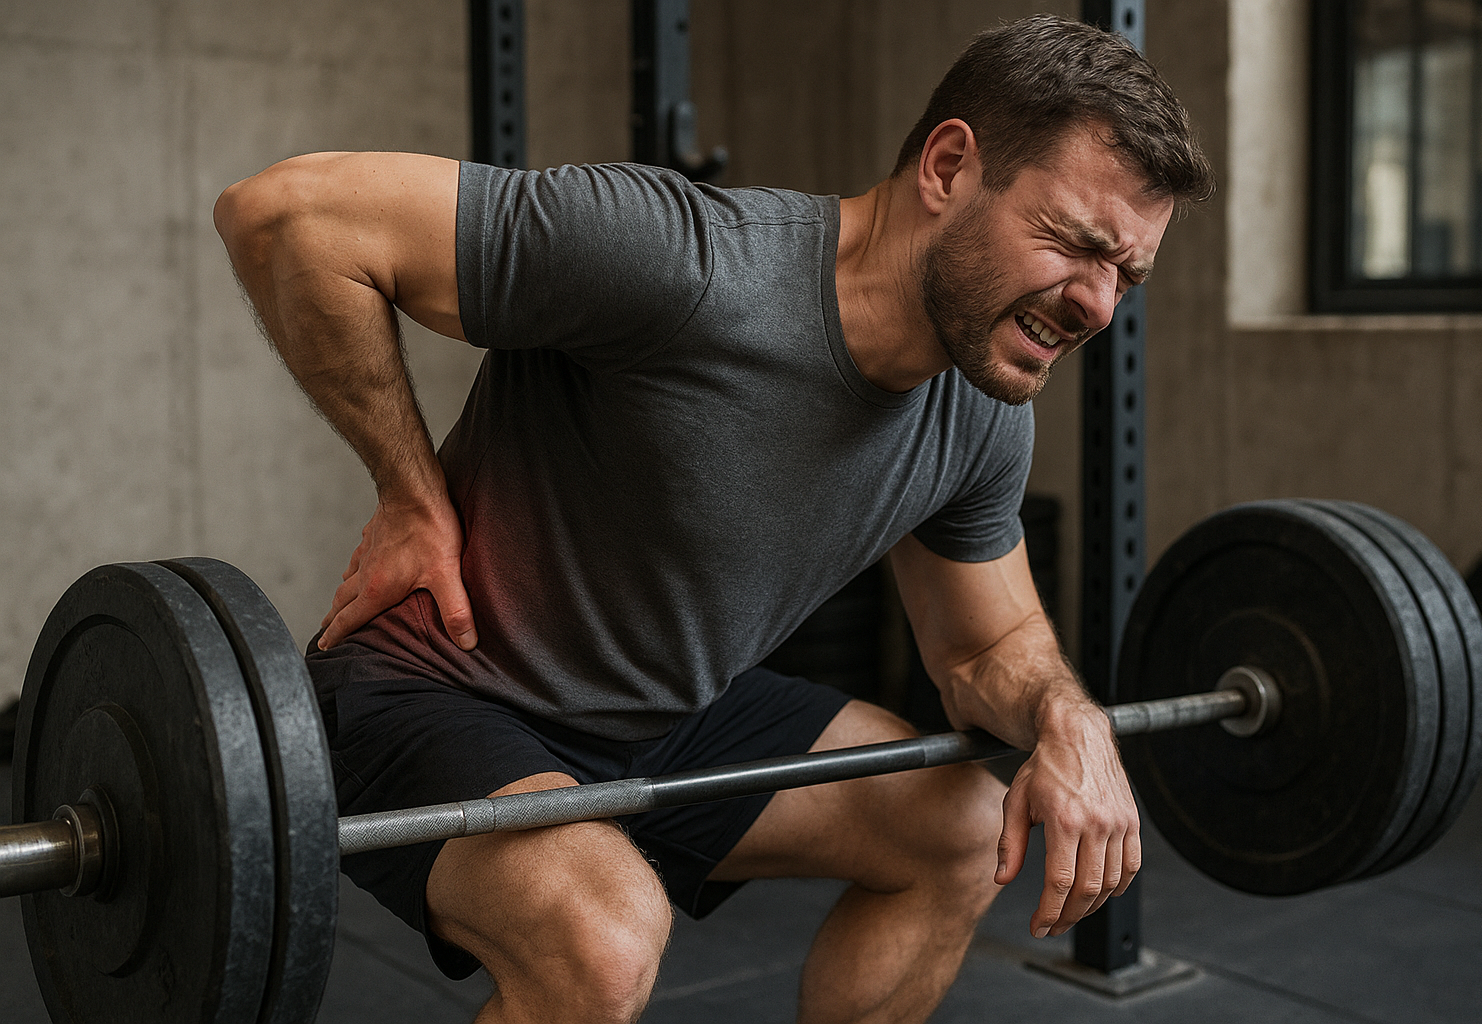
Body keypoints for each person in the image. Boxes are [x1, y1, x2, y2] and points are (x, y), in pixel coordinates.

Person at [215, 13, 1213, 1024]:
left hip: (663, 713)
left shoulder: (980, 412)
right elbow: (287, 219)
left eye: (1127, 274)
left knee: (958, 827)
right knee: (602, 940)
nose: (1098, 305)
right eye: (1075, 244)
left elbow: (984, 645)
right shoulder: (682, 262)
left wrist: (1066, 715)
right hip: (435, 686)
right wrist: (408, 490)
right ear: (949, 166)